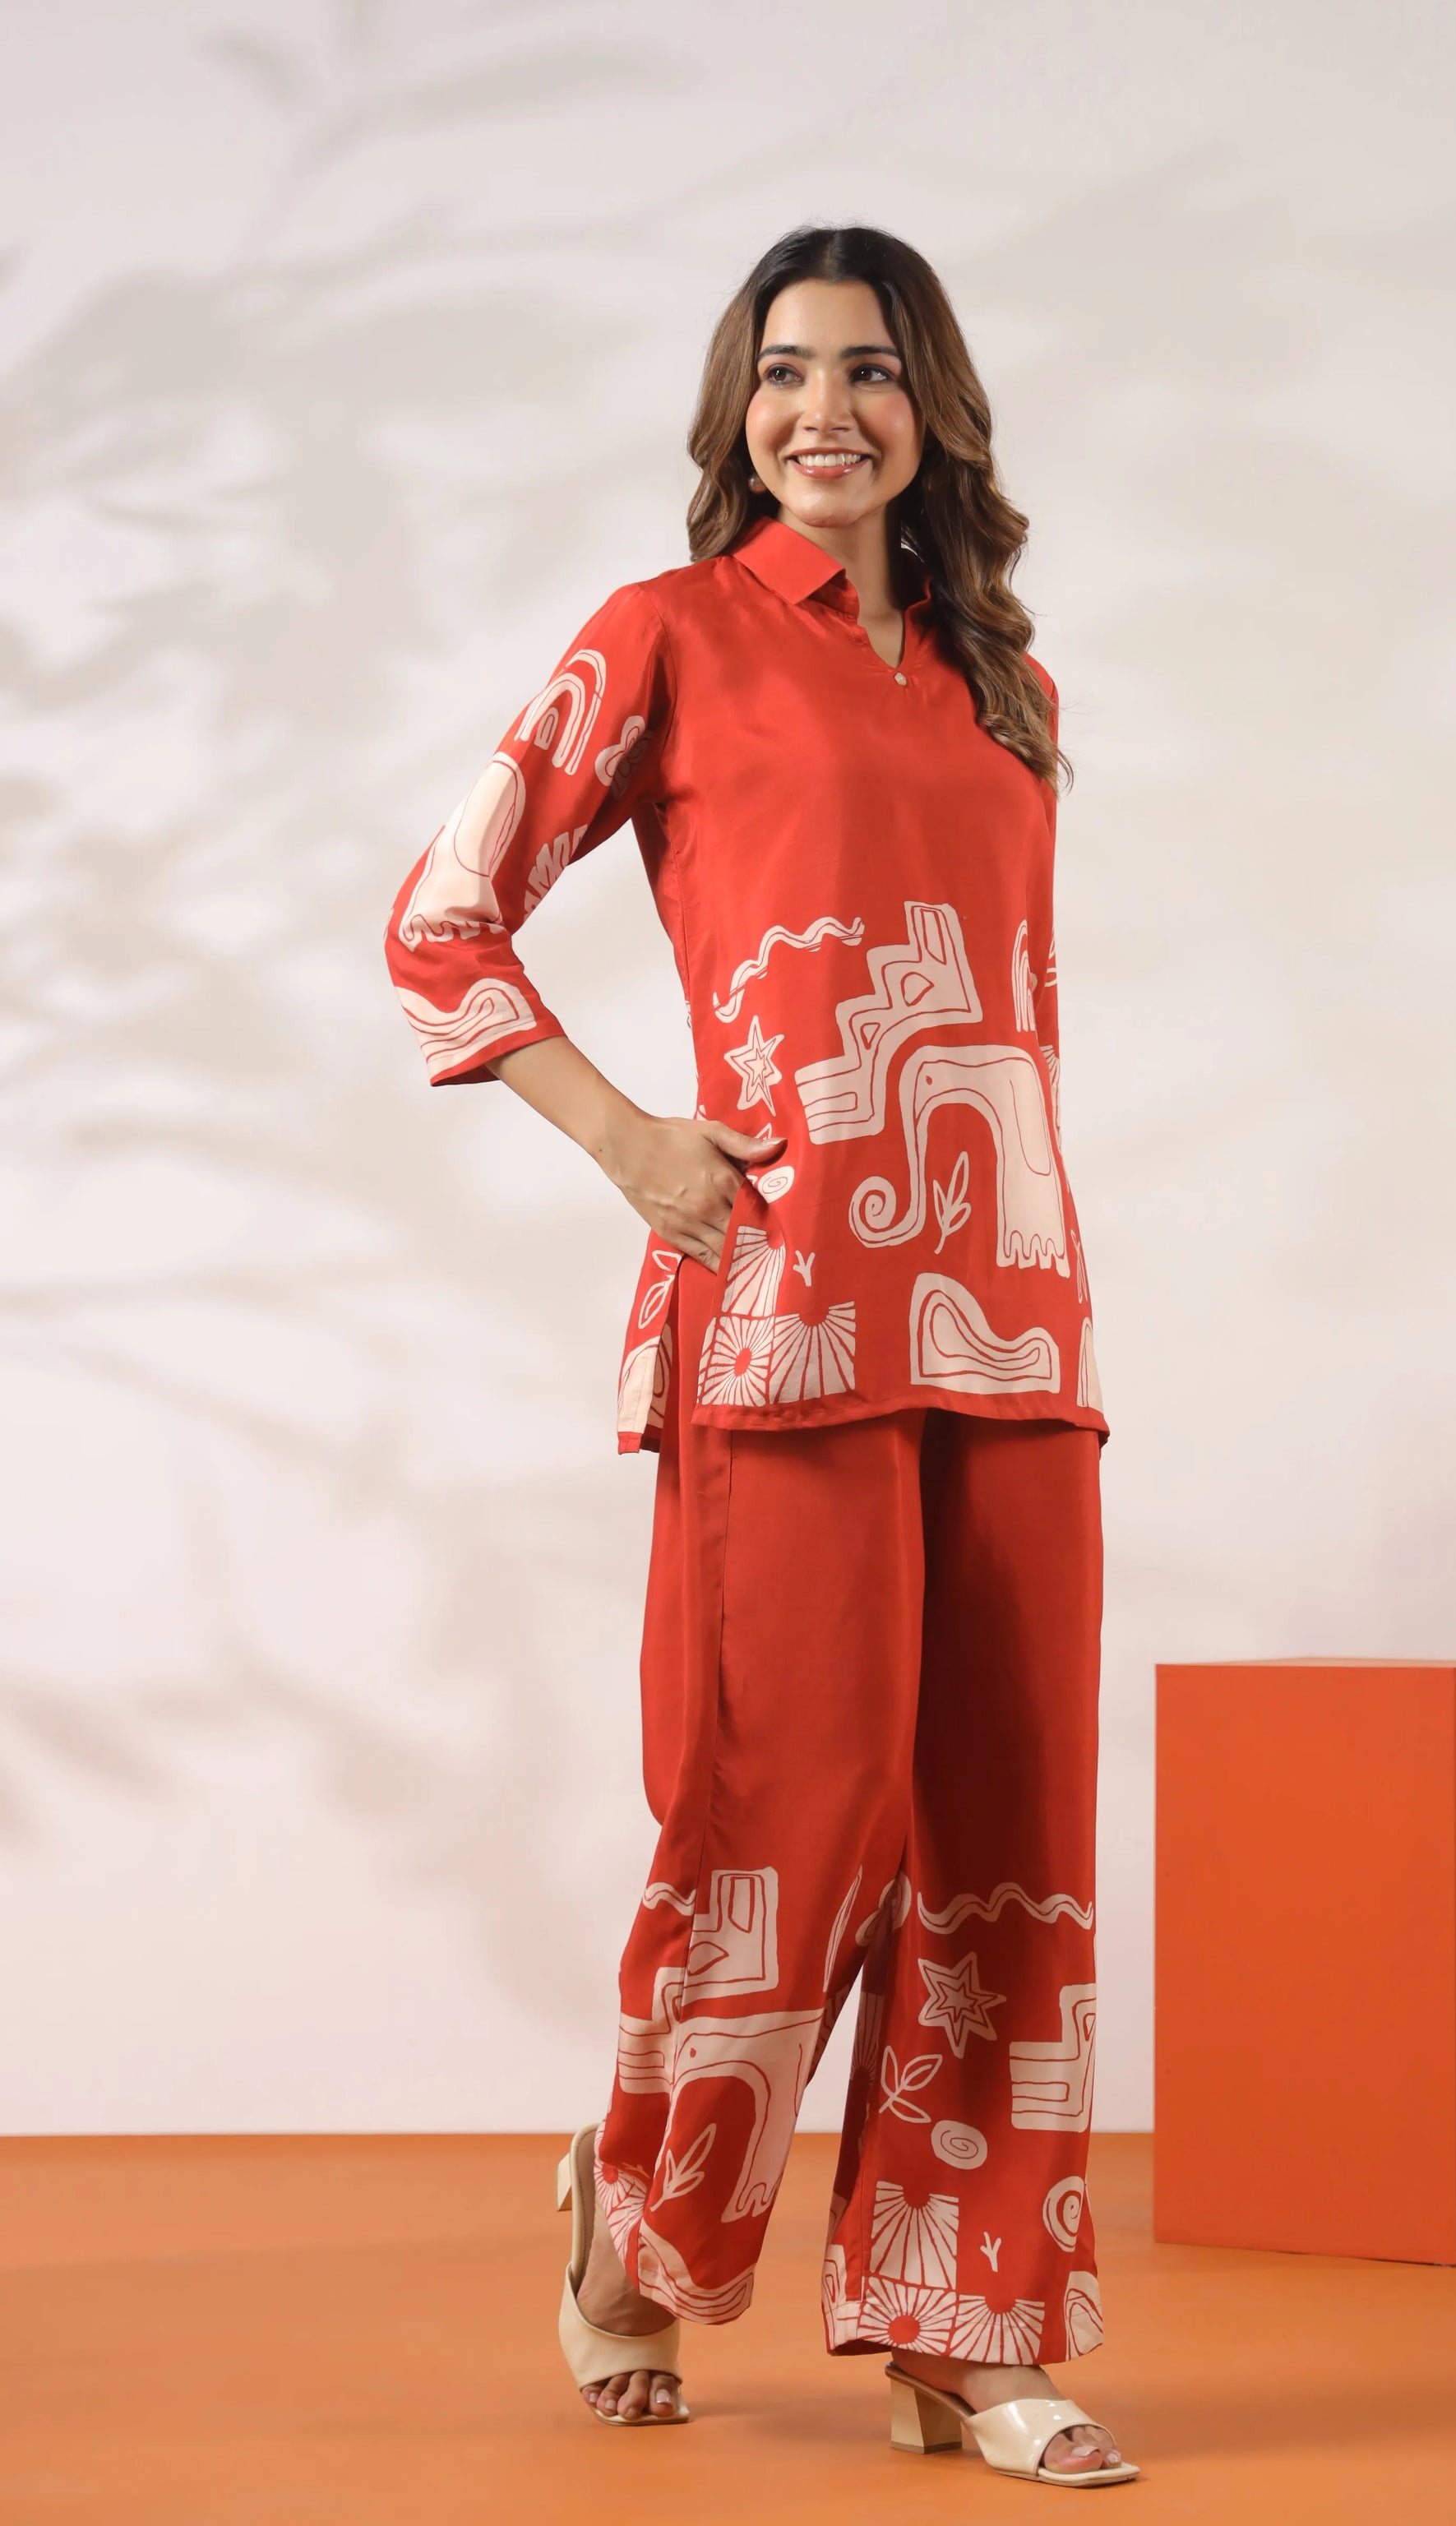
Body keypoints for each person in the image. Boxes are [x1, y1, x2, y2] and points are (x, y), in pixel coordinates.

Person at [385, 224, 1133, 2490]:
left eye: (873, 372)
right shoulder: (671, 635)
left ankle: (964, 2332)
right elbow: (440, 918)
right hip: (787, 1306)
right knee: (787, 1816)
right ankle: (635, 2232)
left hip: (1010, 1311)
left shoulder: (1005, 677)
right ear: (737, 412)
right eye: (789, 372)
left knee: (1007, 1833)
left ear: (934, 410)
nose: (830, 411)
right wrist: (631, 1140)